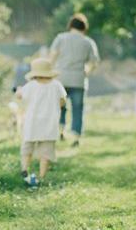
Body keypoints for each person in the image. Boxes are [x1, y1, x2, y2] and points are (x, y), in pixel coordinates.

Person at [50, 13, 100, 147]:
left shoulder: (61, 38)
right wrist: (87, 71)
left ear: (70, 25)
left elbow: (53, 56)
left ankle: (60, 131)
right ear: (84, 27)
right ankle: (76, 138)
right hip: (79, 80)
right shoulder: (88, 42)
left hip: (61, 78)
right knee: (78, 109)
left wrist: (49, 73)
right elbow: (94, 62)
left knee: (60, 106)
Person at [16, 58, 66, 186]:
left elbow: (21, 96)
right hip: (50, 124)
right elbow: (62, 101)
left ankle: (25, 169)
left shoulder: (31, 85)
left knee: (27, 148)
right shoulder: (56, 85)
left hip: (32, 123)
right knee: (46, 152)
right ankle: (42, 176)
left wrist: (18, 91)